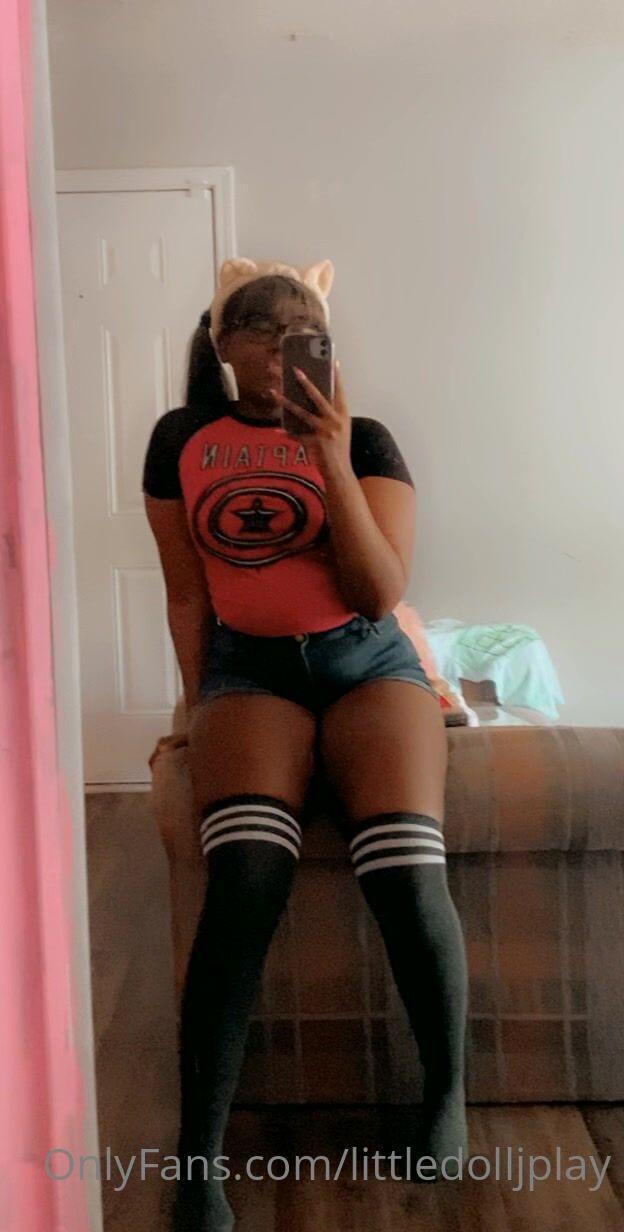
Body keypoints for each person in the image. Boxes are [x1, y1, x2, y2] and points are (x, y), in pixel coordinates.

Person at [142, 261, 469, 1231]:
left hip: (368, 662)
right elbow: (187, 595)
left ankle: (446, 1096)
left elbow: (378, 589)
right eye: (262, 333)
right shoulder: (180, 440)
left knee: (407, 874)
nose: (283, 350)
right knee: (243, 878)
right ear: (223, 347)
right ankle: (198, 1155)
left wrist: (327, 453)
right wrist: (195, 709)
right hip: (250, 672)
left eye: (303, 335)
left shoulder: (364, 437)